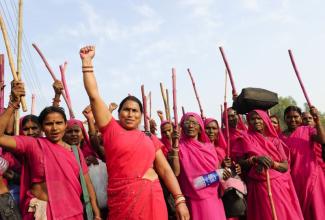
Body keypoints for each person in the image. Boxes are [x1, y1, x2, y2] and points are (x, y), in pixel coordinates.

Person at [80, 45, 190, 220]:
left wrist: (179, 199)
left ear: (141, 115)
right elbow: (94, 95)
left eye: (135, 111)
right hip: (122, 201)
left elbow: (165, 169)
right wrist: (87, 63)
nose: (130, 114)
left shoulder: (149, 137)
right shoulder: (111, 129)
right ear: (118, 113)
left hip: (151, 198)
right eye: (126, 110)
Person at [0, 81, 101, 219]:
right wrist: (13, 104)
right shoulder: (33, 144)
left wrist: (96, 212)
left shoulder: (75, 152)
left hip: (72, 214)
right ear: (41, 127)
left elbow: (88, 185)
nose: (54, 128)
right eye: (48, 124)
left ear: (65, 125)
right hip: (41, 214)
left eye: (59, 123)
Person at [239, 110, 303, 220]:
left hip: (277, 185)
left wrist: (272, 164)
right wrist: (255, 159)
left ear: (265, 121)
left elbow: (285, 166)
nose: (256, 121)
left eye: (259, 118)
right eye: (253, 119)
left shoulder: (275, 141)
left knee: (280, 214)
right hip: (257, 186)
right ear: (249, 121)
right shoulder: (245, 139)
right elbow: (240, 162)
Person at [171, 112, 230, 220]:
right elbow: (176, 173)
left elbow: (217, 170)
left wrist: (224, 174)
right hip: (193, 198)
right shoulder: (179, 146)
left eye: (194, 123)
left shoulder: (209, 147)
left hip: (213, 197)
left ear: (200, 127)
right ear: (182, 126)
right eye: (187, 122)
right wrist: (174, 148)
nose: (191, 125)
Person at [281, 105, 325, 220]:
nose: (293, 120)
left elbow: (322, 139)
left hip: (313, 176)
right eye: (289, 117)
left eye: (296, 117)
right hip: (294, 180)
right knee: (301, 210)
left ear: (301, 117)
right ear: (284, 118)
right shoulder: (280, 137)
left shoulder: (308, 130)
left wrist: (317, 120)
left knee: (318, 208)